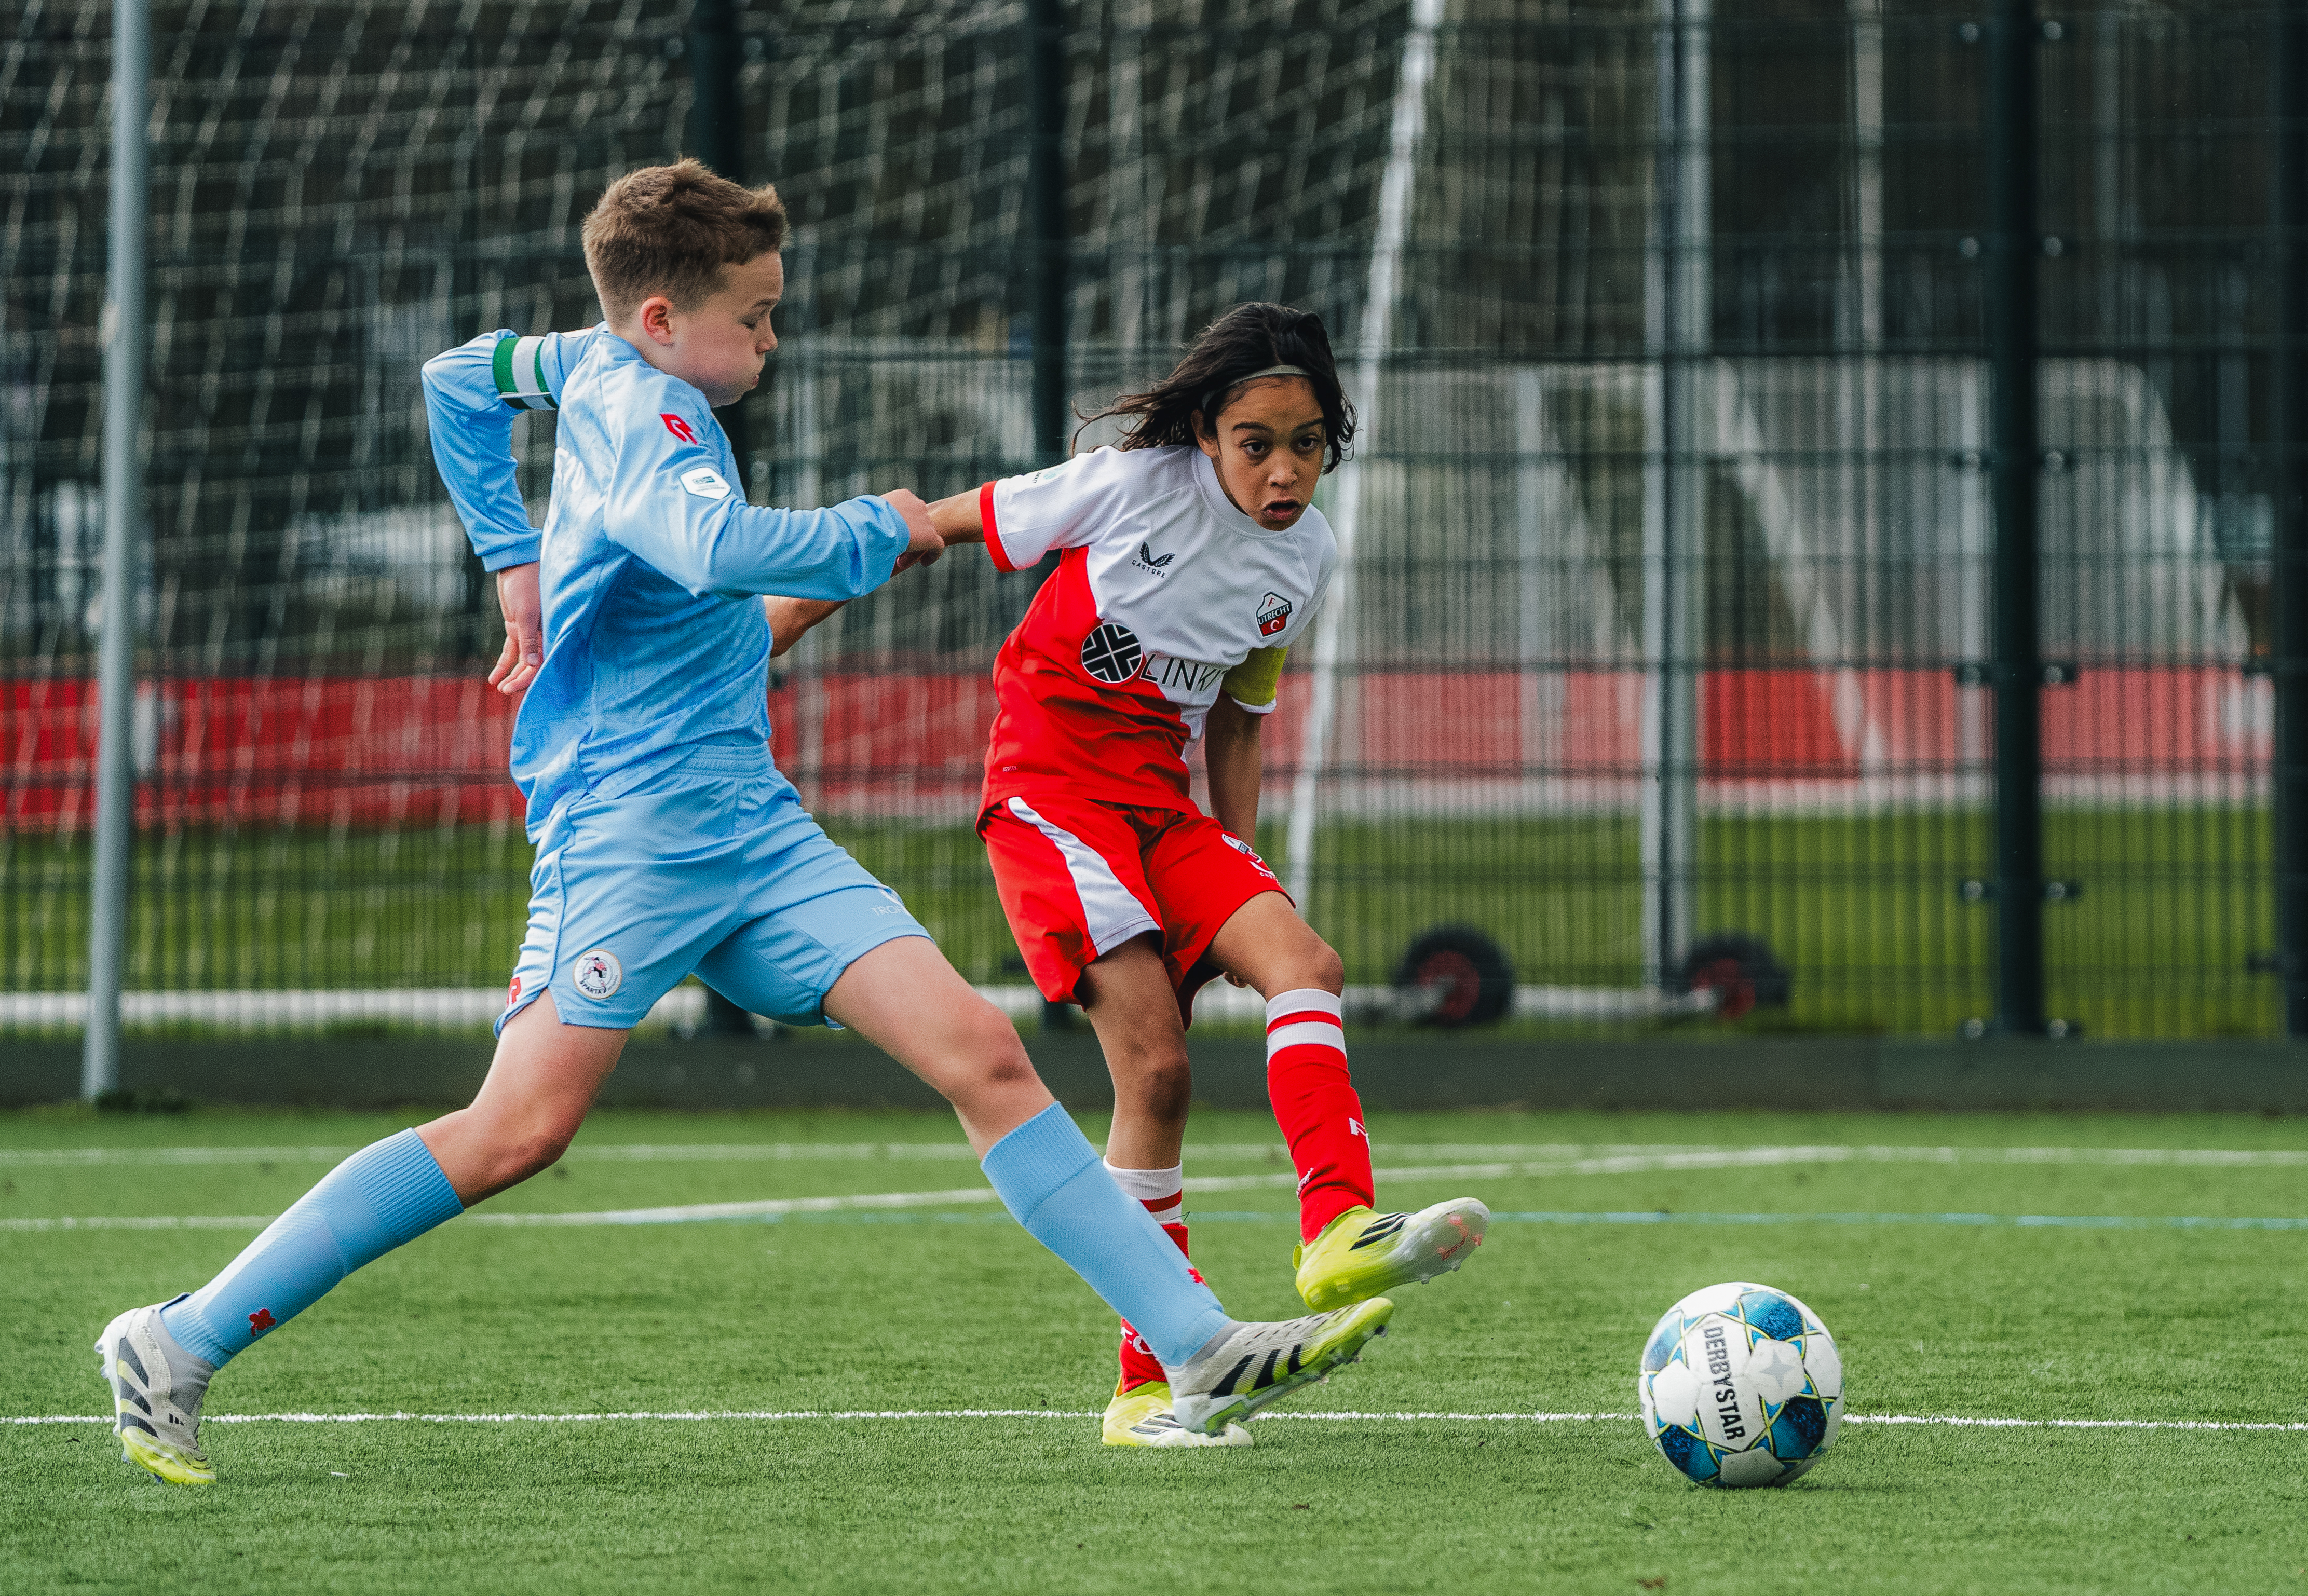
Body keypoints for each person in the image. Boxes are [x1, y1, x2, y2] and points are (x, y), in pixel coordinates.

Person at [94, 163, 1393, 1486]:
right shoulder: (644, 414)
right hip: (631, 830)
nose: (771, 339)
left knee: (981, 1054)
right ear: (662, 319)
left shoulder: (588, 353)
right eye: (755, 317)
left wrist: (512, 567)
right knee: (516, 1133)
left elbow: (454, 380)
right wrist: (876, 531)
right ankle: (179, 1340)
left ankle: (1191, 1345)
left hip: (751, 827)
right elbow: (716, 547)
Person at [767, 303, 1491, 1448]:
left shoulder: (1307, 559)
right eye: (1257, 441)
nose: (1284, 468)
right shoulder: (1126, 482)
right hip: (1051, 801)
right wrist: (775, 626)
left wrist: (1239, 860)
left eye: (1308, 442)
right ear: (1205, 433)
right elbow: (936, 526)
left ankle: (1336, 1231)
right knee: (1155, 1072)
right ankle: (1149, 1387)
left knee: (1304, 963)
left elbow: (1241, 721)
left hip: (1160, 808)